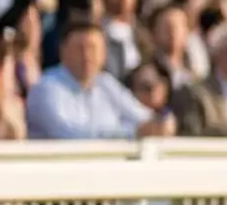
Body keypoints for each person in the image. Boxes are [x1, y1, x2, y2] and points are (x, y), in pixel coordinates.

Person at [26, 16, 169, 139]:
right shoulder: (46, 88)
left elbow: (142, 117)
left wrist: (161, 123)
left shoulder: (105, 83)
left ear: (103, 53)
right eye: (80, 48)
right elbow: (70, 136)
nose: (87, 56)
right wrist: (131, 133)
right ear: (63, 51)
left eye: (93, 48)